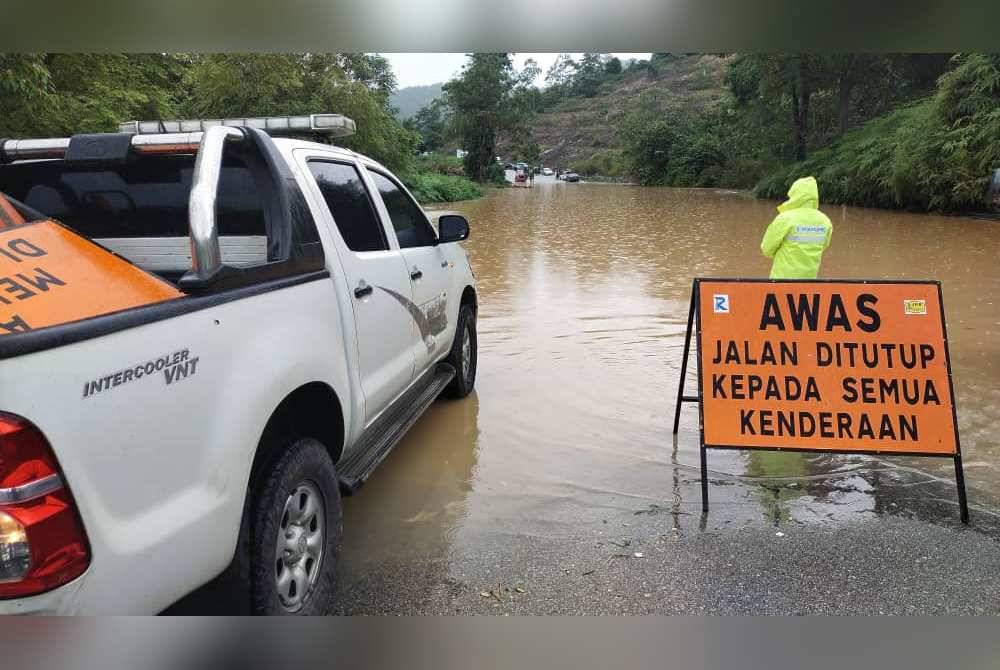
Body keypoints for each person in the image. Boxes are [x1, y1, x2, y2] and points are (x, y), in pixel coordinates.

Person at [760, 176, 832, 279]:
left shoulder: (785, 218)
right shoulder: (825, 221)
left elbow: (766, 249)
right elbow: (823, 246)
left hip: (781, 281)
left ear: (795, 195)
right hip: (810, 282)